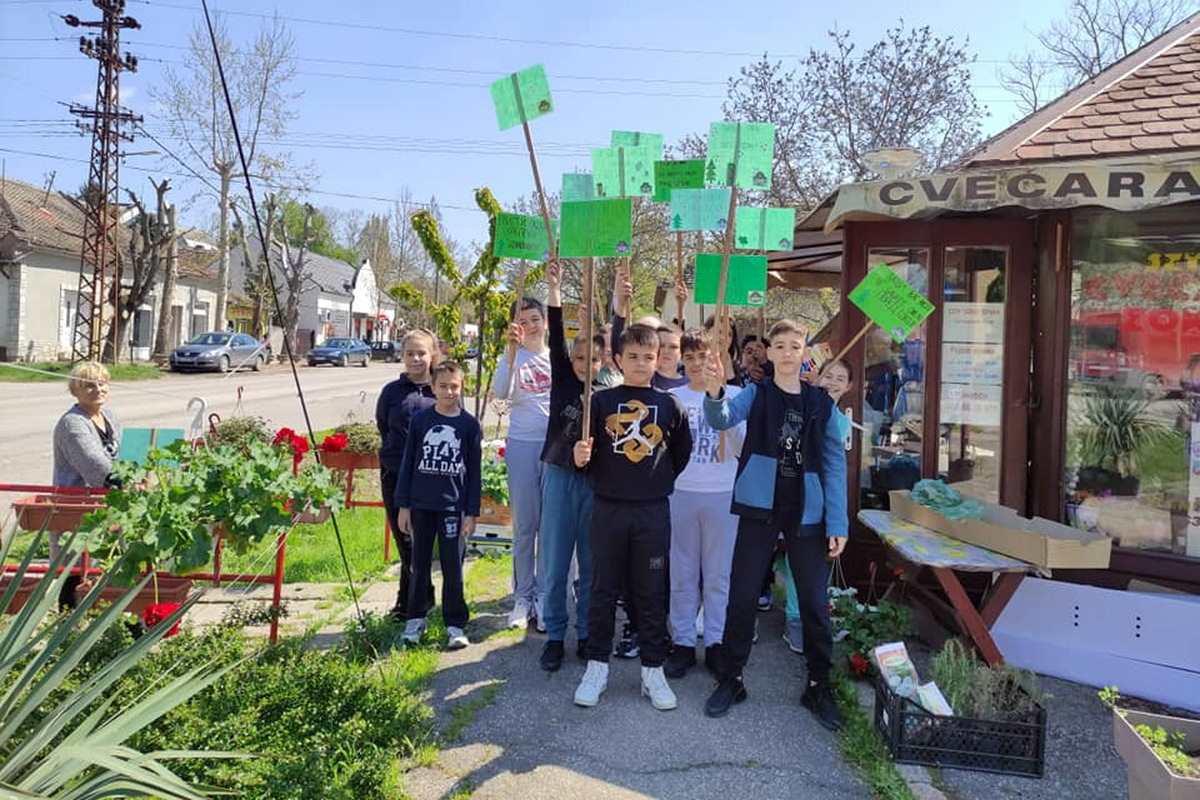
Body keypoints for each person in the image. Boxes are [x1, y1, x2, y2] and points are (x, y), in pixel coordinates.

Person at [701, 319, 849, 731]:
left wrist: (838, 521)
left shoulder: (821, 403)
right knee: (743, 594)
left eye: (794, 346)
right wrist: (714, 392)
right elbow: (722, 419)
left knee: (815, 602)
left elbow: (835, 463)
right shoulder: (757, 393)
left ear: (804, 353)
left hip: (808, 510)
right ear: (769, 352)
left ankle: (819, 684)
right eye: (779, 345)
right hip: (759, 506)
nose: (786, 353)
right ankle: (731, 678)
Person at [572, 324, 693, 711]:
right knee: (602, 589)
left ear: (659, 360)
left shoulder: (670, 405)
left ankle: (652, 670)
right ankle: (596, 667)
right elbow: (582, 453)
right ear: (617, 359)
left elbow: (681, 453)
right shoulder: (600, 403)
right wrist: (580, 458)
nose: (641, 363)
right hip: (608, 508)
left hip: (652, 511)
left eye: (649, 357)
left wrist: (655, 481)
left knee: (650, 591)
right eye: (633, 357)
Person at [663, 329, 743, 679]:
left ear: (717, 358)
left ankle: (715, 641)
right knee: (682, 572)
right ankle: (682, 641)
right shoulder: (672, 398)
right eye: (690, 357)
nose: (697, 364)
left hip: (722, 494)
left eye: (703, 357)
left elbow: (743, 447)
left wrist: (719, 400)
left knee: (717, 575)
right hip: (681, 493)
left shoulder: (736, 395)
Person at [538, 260, 606, 671]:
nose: (585, 364)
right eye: (579, 357)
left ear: (603, 361)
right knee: (555, 562)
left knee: (592, 564)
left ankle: (585, 633)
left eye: (593, 359)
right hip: (560, 477)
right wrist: (555, 290)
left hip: (592, 484)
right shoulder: (563, 379)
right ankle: (554, 634)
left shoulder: (608, 392)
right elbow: (555, 332)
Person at [395, 361, 481, 650]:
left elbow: (474, 472)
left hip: (453, 508)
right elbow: (408, 463)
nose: (448, 391)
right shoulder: (421, 421)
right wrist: (403, 506)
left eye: (454, 386)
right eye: (443, 386)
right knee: (418, 565)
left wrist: (471, 512)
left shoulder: (469, 425)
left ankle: (455, 624)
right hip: (421, 506)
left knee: (452, 566)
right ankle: (415, 620)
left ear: (462, 387)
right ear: (433, 387)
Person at [494, 298, 553, 630]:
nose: (530, 326)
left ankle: (544, 595)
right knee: (525, 526)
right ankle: (522, 597)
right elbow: (501, 392)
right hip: (521, 445)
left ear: (545, 322)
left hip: (553, 448)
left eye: (535, 319)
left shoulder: (556, 357)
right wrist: (510, 353)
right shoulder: (513, 357)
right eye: (523, 321)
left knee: (549, 527)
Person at [376, 329, 439, 621]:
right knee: (405, 541)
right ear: (402, 356)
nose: (416, 359)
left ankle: (411, 604)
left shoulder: (440, 390)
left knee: (420, 542)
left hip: (429, 478)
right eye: (410, 353)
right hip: (395, 475)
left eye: (421, 353)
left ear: (432, 355)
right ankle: (416, 600)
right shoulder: (392, 392)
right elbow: (383, 426)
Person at [52, 360, 122, 559]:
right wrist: (127, 482)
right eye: (90, 385)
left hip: (106, 505)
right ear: (75, 391)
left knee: (109, 563)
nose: (98, 389)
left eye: (102, 383)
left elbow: (121, 457)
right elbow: (94, 464)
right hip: (77, 509)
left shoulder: (109, 416)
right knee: (76, 566)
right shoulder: (72, 423)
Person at [652, 326, 688, 391]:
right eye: (661, 345)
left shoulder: (692, 385)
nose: (666, 351)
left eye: (673, 347)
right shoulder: (642, 380)